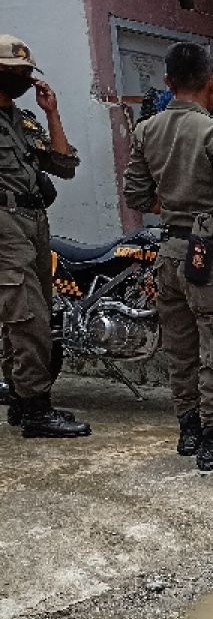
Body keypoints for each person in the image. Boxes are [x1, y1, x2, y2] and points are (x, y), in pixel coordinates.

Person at [123, 42, 213, 470]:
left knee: (181, 346)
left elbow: (136, 195)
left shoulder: (146, 130)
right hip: (210, 253)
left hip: (168, 252)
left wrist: (176, 206)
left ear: (167, 82)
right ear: (212, 82)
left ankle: (190, 431)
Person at [0, 34, 90, 438]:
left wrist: (51, 113)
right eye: (14, 72)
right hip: (4, 221)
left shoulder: (21, 119)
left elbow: (64, 165)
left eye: (26, 73)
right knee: (29, 316)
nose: (22, 79)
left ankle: (20, 401)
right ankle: (37, 410)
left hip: (34, 221)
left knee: (24, 317)